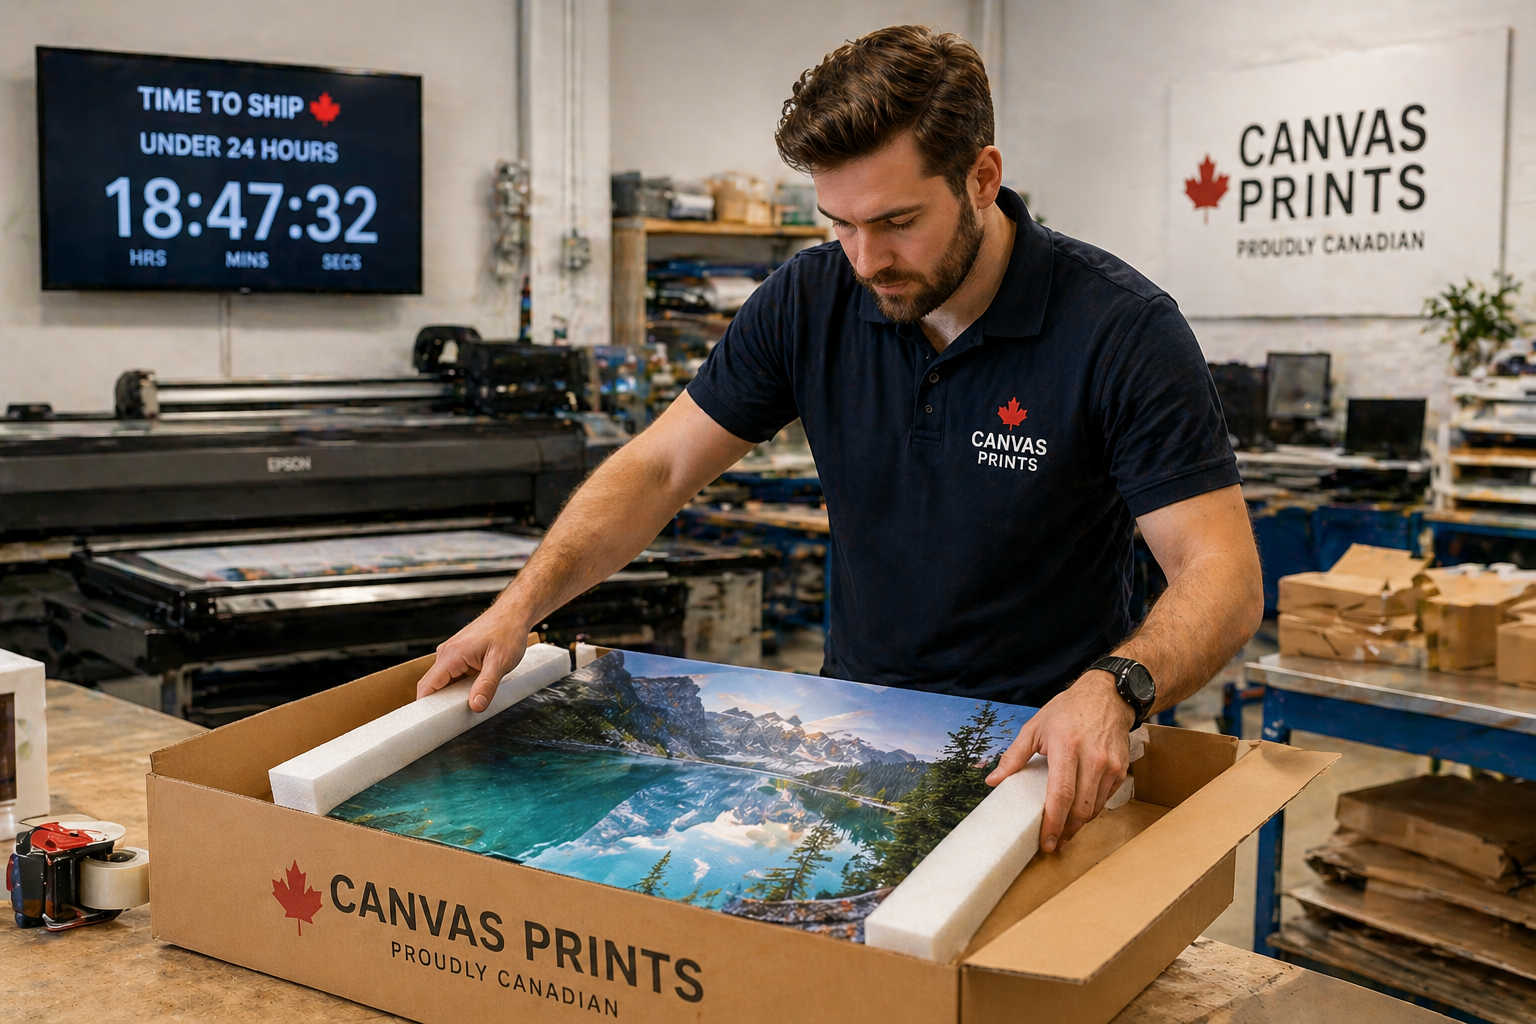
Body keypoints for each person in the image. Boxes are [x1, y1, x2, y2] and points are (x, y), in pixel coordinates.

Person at [416, 25, 1262, 856]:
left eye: (896, 222)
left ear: (982, 177)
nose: (866, 260)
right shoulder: (806, 300)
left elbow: (1221, 574)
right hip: (869, 733)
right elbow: (660, 464)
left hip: (1053, 754)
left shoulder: (1120, 330)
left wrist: (1116, 688)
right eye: (841, 225)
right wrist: (519, 606)